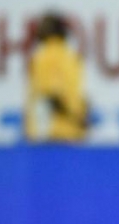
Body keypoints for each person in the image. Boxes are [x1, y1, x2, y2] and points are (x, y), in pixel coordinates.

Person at [24, 12, 90, 143]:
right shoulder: (73, 57)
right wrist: (80, 120)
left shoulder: (43, 58)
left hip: (51, 134)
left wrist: (74, 118)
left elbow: (51, 97)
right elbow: (80, 97)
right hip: (74, 135)